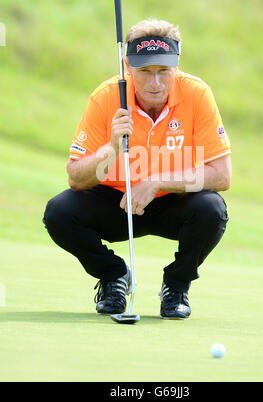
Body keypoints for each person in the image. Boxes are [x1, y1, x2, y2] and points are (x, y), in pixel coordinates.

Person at [43, 19, 231, 320]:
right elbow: (76, 178)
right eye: (144, 72)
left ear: (176, 64)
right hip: (116, 203)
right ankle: (114, 277)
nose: (155, 83)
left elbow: (221, 175)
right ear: (127, 66)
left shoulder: (197, 94)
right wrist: (112, 147)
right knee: (59, 212)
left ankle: (176, 286)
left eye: (163, 72)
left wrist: (158, 182)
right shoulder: (105, 97)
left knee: (212, 209)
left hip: (173, 203)